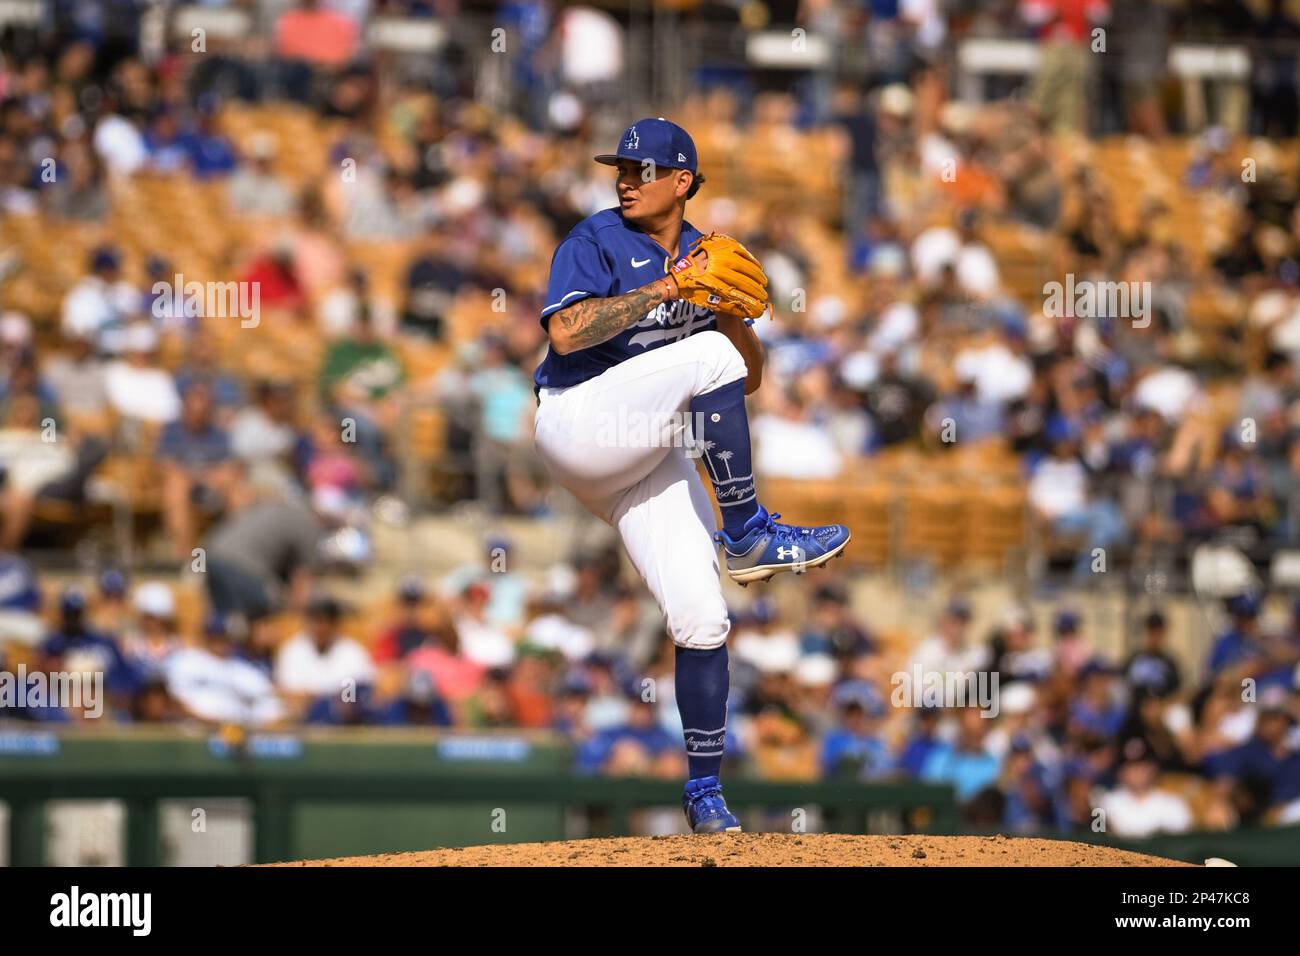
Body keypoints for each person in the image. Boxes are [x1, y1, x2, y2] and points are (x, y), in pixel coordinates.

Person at [530, 119, 851, 833]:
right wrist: (670, 291)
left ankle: (705, 793)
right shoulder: (595, 238)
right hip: (580, 423)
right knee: (708, 360)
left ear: (682, 181)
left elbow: (750, 376)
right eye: (621, 168)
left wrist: (732, 314)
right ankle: (748, 534)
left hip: (642, 451)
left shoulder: (710, 254)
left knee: (704, 620)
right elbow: (565, 332)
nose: (624, 179)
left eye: (641, 170)